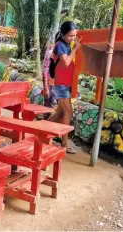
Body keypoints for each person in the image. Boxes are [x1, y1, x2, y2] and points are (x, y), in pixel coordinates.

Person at [47, 21, 82, 154]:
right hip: (60, 84)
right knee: (68, 111)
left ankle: (42, 131)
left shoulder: (66, 45)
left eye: (74, 36)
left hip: (65, 84)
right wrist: (75, 49)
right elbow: (66, 62)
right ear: (62, 34)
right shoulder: (61, 46)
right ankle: (64, 143)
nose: (72, 38)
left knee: (60, 113)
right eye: (70, 36)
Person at [42, 42, 56, 108]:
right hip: (50, 78)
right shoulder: (50, 52)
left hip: (54, 79)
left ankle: (48, 115)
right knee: (50, 99)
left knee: (52, 100)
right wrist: (45, 86)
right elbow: (46, 68)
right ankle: (47, 115)